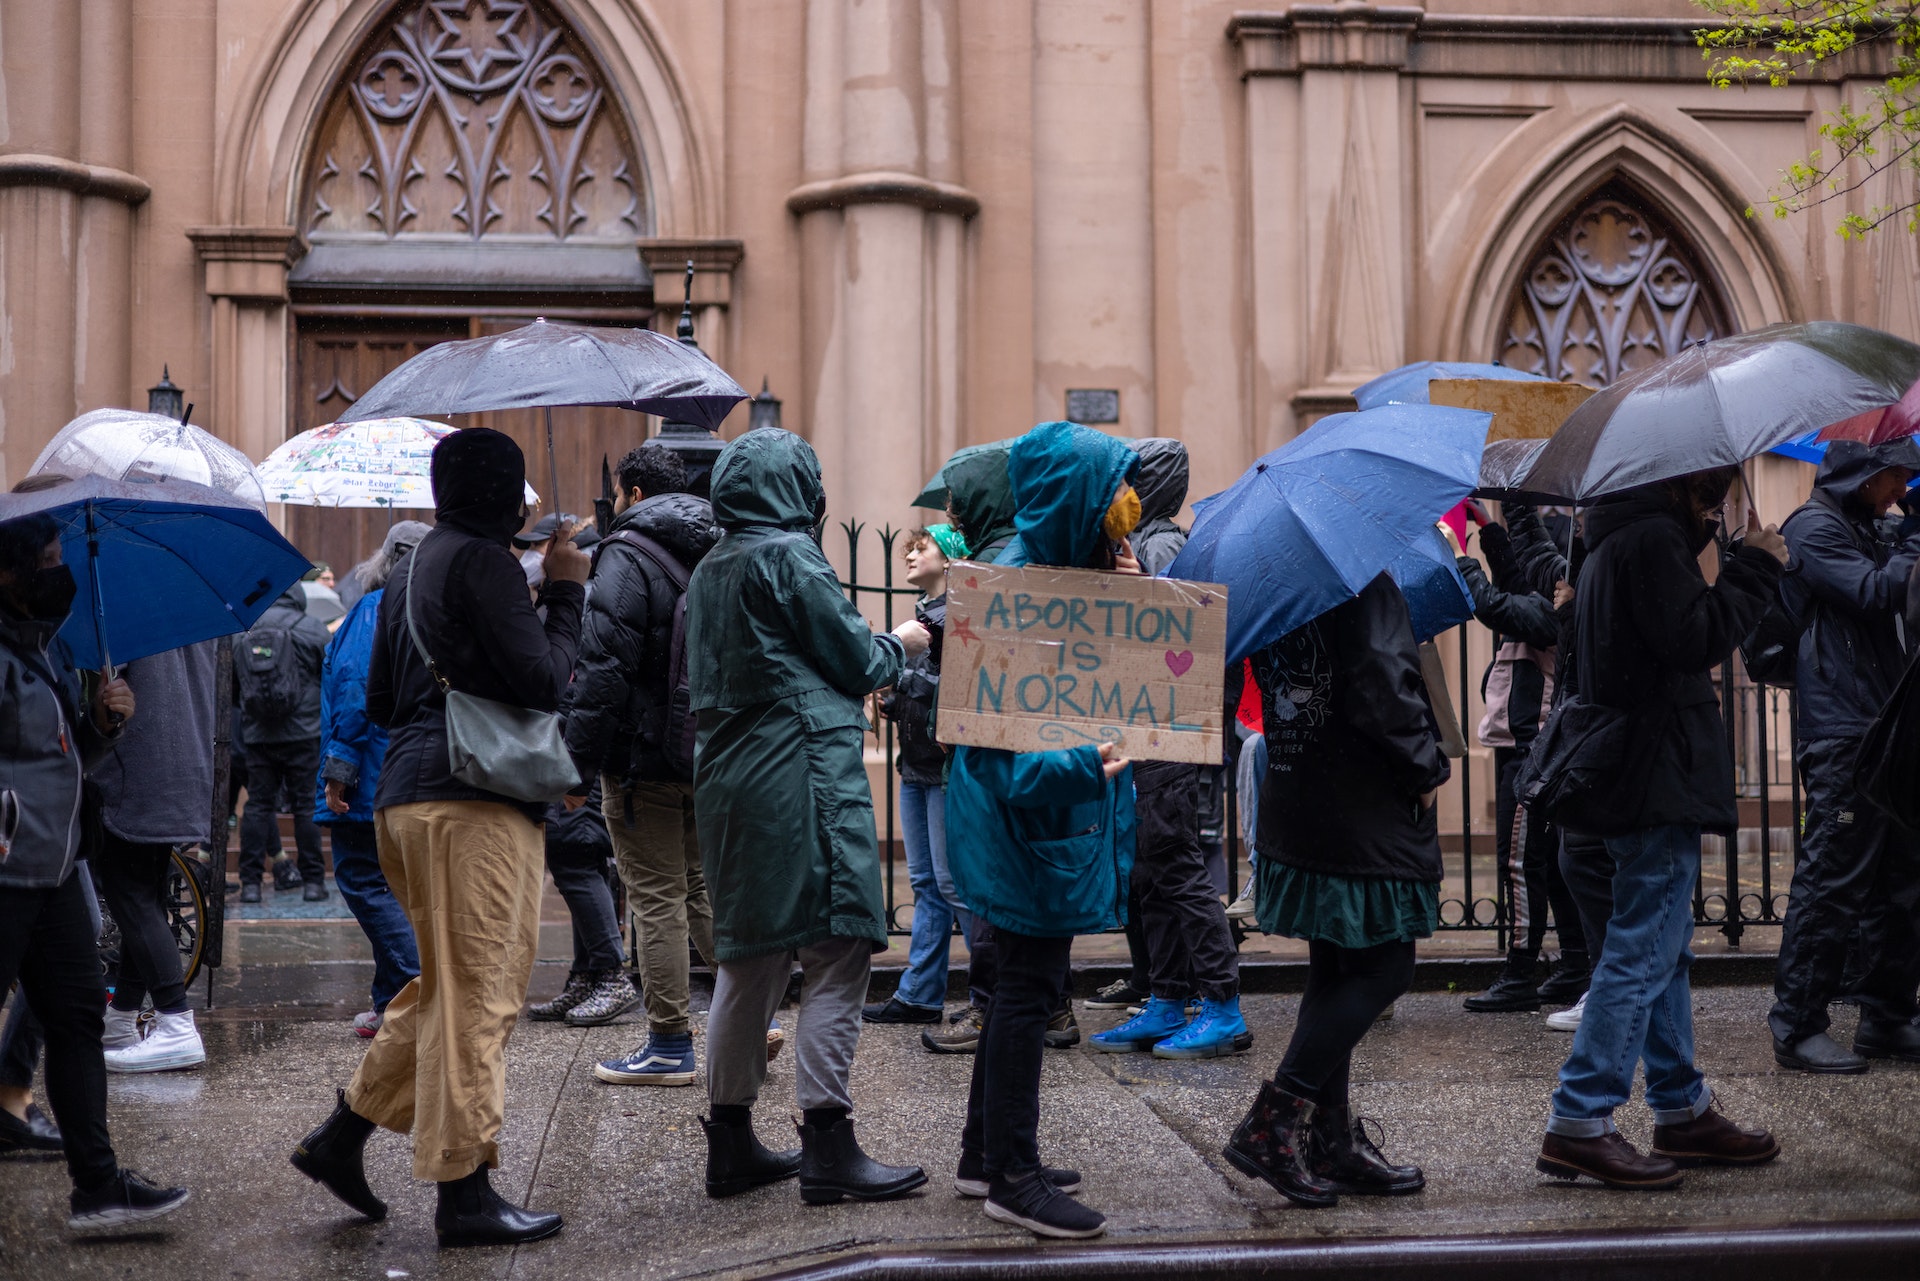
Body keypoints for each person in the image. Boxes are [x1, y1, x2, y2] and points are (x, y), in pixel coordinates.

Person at [289, 428, 585, 1248]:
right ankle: (465, 1191)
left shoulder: (413, 568)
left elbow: (381, 701)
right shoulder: (487, 563)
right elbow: (544, 680)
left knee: (443, 988)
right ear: (504, 489)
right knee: (483, 995)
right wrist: (563, 595)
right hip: (473, 806)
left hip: (403, 802)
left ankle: (341, 1137)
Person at [686, 427, 930, 1205]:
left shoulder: (712, 565)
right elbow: (857, 658)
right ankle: (828, 1143)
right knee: (838, 947)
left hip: (731, 780)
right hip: (803, 772)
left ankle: (729, 1142)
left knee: (749, 957)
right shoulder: (790, 556)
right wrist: (907, 640)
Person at [1535, 468, 1785, 1190]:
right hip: (1654, 772)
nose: (1718, 500)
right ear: (1681, 482)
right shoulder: (1648, 541)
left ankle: (1681, 1106)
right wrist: (1759, 565)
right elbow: (1695, 636)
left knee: (1662, 945)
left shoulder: (1618, 536)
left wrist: (1713, 540)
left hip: (1634, 770)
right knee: (1641, 948)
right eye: (1710, 490)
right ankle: (1580, 1116)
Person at [945, 421, 1143, 1239]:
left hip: (1037, 832)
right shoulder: (1011, 593)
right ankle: (1013, 1177)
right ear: (1076, 504)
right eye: (1110, 506)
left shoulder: (1063, 578)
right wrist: (1083, 767)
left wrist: (1131, 594)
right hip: (1021, 829)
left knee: (1021, 988)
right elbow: (998, 752)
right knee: (1026, 991)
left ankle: (980, 1153)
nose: (1120, 521)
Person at [1221, 571, 1442, 1209]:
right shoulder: (1362, 581)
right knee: (1385, 966)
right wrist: (1425, 767)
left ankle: (1330, 1141)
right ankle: (1274, 1124)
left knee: (1336, 964)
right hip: (1358, 807)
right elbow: (1384, 681)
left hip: (1302, 793)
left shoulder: (1278, 583)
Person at [0, 498, 190, 1229]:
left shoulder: (43, 648)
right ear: (9, 572)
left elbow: (58, 758)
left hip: (50, 871)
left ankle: (100, 1184)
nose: (60, 577)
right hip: (10, 872)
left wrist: (102, 725)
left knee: (78, 1019)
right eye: (47, 565)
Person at [562, 442, 720, 1082]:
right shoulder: (715, 543)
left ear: (629, 493)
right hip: (703, 749)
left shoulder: (625, 553)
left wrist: (574, 767)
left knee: (655, 898)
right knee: (700, 887)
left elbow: (604, 669)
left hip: (642, 759)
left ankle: (669, 1045)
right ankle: (752, 1012)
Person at [1091, 437, 1248, 1061]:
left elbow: (1188, 631)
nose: (1118, 493)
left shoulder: (1160, 543)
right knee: (1154, 869)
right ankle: (1165, 999)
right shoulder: (1148, 541)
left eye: (1128, 480)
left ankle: (1221, 1003)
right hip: (1151, 728)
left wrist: (1144, 588)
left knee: (1176, 868)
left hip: (1170, 731)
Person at [927, 448, 1084, 1054]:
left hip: (996, 758)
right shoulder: (1008, 557)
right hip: (1018, 753)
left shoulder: (999, 568)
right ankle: (1049, 1006)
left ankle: (998, 1005)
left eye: (957, 497)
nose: (949, 511)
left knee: (994, 884)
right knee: (1024, 888)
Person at [1770, 441, 1920, 1072]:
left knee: (1901, 882)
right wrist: (1914, 538)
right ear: (1865, 474)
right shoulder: (1813, 528)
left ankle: (1887, 1016)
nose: (1900, 490)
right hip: (1842, 729)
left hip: (1882, 722)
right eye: (1895, 477)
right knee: (1832, 879)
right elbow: (1873, 593)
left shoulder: (1867, 524)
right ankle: (1798, 1024)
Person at [1454, 515, 1591, 1013]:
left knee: (1518, 863)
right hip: (1527, 746)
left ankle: (1519, 974)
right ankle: (1575, 964)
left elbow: (1494, 604)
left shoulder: (1556, 611)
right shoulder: (1545, 600)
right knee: (1550, 864)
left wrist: (1458, 558)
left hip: (1533, 750)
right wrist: (1491, 530)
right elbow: (1513, 582)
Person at [317, 522, 428, 1039]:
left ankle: (416, 987)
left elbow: (355, 693)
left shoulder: (371, 609)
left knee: (363, 880)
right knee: (394, 887)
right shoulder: (426, 608)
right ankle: (392, 1002)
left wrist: (339, 769)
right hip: (410, 771)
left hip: (370, 773)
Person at [94, 639, 219, 1074]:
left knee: (129, 894)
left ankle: (175, 1022)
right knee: (143, 897)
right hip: (181, 765)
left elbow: (100, 687)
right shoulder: (190, 611)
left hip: (135, 768)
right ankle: (123, 1019)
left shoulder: (123, 599)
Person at [864, 524, 966, 1024]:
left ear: (949, 559)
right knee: (927, 883)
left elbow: (956, 687)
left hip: (946, 770)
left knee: (951, 884)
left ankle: (991, 992)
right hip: (918, 766)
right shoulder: (922, 619)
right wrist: (895, 700)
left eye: (920, 549)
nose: (909, 557)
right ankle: (920, 995)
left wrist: (905, 684)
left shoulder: (956, 619)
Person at [235, 580, 333, 903]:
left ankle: (250, 884)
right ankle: (314, 883)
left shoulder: (243, 632)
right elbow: (330, 677)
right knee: (306, 805)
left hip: (259, 735)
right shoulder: (313, 629)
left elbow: (234, 689)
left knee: (258, 806)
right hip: (305, 734)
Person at [527, 779, 635, 1027]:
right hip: (579, 772)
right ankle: (587, 978)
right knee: (582, 862)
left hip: (579, 775)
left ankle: (612, 978)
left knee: (575, 856)